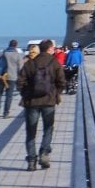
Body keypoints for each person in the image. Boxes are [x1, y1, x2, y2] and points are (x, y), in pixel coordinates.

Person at [18, 40, 65, 171]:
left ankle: (31, 161)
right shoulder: (54, 63)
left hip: (32, 102)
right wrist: (56, 94)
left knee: (31, 132)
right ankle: (44, 154)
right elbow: (62, 81)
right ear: (49, 49)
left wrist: (26, 94)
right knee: (48, 129)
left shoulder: (30, 63)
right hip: (49, 101)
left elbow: (20, 82)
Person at [0, 40, 25, 118]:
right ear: (16, 46)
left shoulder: (1, 53)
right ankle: (6, 113)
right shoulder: (18, 55)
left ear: (9, 44)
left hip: (0, 76)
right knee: (9, 95)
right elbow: (21, 68)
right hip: (12, 77)